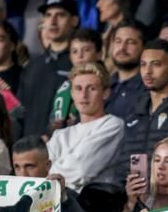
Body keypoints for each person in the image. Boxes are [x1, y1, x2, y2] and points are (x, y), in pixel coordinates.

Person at [111, 39, 168, 186]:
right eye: (143, 64)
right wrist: (122, 191)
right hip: (132, 194)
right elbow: (125, 160)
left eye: (156, 64)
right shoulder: (135, 110)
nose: (148, 71)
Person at [47, 63, 125, 191]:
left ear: (105, 93)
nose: (84, 95)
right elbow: (41, 170)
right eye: (78, 89)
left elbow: (80, 170)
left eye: (92, 88)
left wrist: (54, 170)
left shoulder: (113, 125)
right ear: (72, 94)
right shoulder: (60, 134)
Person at [20, 0, 78, 138]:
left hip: (64, 145)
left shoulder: (79, 64)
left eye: (60, 15)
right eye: (48, 15)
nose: (53, 21)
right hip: (29, 145)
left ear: (74, 20)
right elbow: (20, 111)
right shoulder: (32, 65)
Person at [105, 22, 146, 119]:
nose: (122, 48)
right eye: (118, 41)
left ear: (143, 47)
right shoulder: (102, 84)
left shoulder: (148, 89)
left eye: (130, 42)